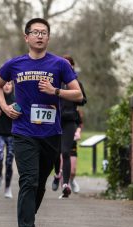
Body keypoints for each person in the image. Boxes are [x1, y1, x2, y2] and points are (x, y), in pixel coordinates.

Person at [0, 18, 83, 227]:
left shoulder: (60, 64)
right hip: (23, 132)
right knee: (28, 180)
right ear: (26, 37)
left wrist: (56, 91)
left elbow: (78, 94)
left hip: (51, 134)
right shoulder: (15, 64)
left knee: (39, 184)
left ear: (48, 38)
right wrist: (5, 106)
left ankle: (30, 226)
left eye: (44, 32)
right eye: (35, 32)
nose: (39, 36)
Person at [51, 55, 87, 197]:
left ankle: (65, 184)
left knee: (65, 152)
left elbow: (83, 99)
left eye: (68, 64)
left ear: (72, 66)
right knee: (55, 152)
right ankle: (56, 174)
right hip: (54, 120)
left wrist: (71, 97)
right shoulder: (54, 81)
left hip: (69, 121)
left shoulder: (76, 83)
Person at [0, 81, 15, 198]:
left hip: (12, 135)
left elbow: (23, 113)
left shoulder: (17, 98)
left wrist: (15, 112)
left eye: (9, 84)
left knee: (9, 163)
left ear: (12, 86)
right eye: (5, 84)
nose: (6, 86)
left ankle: (7, 188)